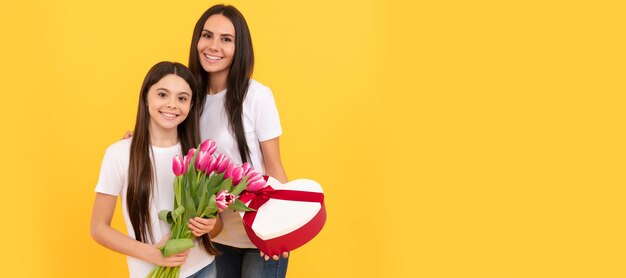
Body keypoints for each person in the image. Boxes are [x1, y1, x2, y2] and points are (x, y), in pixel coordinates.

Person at [188, 4, 290, 278]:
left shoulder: (257, 96)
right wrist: (138, 138)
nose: (213, 46)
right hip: (214, 236)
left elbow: (275, 168)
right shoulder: (189, 99)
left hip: (260, 237)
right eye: (207, 35)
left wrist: (280, 233)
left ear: (239, 47)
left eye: (226, 39)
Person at [92, 61, 219, 278]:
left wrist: (210, 225)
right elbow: (98, 228)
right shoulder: (119, 154)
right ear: (146, 97)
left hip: (202, 269)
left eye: (182, 98)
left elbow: (216, 229)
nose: (172, 104)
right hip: (148, 271)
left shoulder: (200, 156)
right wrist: (153, 254)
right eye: (162, 94)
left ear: (190, 105)